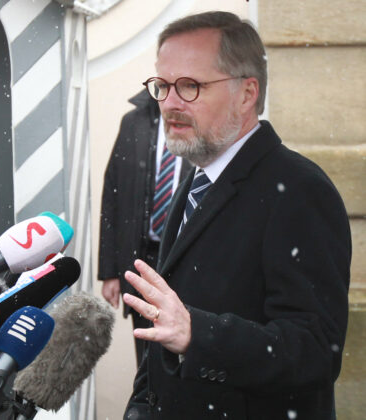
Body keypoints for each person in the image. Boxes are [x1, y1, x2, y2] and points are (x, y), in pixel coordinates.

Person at [121, 11, 351, 420]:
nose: (169, 103)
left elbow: (315, 351)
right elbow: (163, 339)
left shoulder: (299, 189)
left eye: (190, 86)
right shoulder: (196, 179)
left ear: (247, 94)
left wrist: (198, 334)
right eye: (162, 86)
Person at [98, 89, 191, 366]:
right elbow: (112, 194)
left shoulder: (200, 124)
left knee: (183, 355)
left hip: (185, 259)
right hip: (143, 262)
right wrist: (110, 272)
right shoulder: (133, 123)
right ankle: (150, 407)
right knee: (147, 359)